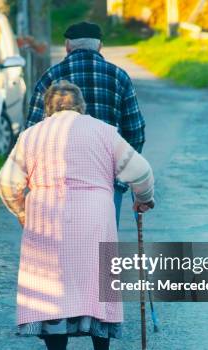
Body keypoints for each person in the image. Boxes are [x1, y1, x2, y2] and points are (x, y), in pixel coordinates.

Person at [0, 81, 154, 350]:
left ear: (48, 108)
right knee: (98, 288)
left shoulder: (30, 136)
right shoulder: (104, 131)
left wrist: (22, 213)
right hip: (95, 215)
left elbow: (7, 183)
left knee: (50, 292)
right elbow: (140, 173)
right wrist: (143, 199)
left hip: (46, 218)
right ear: (81, 107)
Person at [25, 21, 146, 227]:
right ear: (99, 46)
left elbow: (32, 134)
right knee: (102, 244)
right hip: (107, 179)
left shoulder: (51, 78)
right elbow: (135, 132)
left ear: (67, 46)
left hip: (59, 181)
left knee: (65, 248)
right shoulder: (119, 77)